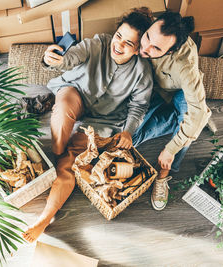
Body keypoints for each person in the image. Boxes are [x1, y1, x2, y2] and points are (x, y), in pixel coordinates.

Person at [22, 8, 154, 243]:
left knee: (70, 166)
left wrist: (128, 131)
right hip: (77, 93)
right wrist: (58, 60)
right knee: (62, 111)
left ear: (138, 49)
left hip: (104, 120)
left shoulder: (142, 73)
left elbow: (139, 107)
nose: (119, 45)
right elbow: (73, 57)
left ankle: (45, 216)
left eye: (128, 43)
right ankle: (56, 151)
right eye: (118, 36)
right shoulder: (99, 43)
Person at [131, 11, 212, 211]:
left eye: (156, 48)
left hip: (179, 94)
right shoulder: (144, 32)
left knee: (193, 120)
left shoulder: (185, 66)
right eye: (148, 37)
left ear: (171, 50)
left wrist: (171, 149)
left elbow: (196, 111)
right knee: (131, 138)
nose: (145, 48)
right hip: (151, 91)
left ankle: (164, 173)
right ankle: (180, 123)